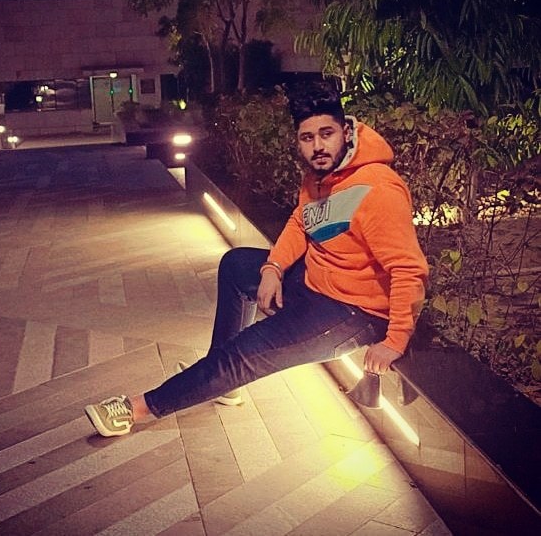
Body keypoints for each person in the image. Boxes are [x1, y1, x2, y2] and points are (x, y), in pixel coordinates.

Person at [84, 82, 429, 437]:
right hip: (315, 283)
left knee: (243, 354)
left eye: (326, 134)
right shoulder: (319, 176)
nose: (317, 146)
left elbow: (408, 270)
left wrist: (394, 341)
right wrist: (273, 268)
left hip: (354, 313)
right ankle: (219, 379)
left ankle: (136, 409)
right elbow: (301, 221)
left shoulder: (377, 188)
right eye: (307, 138)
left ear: (346, 131)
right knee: (236, 266)